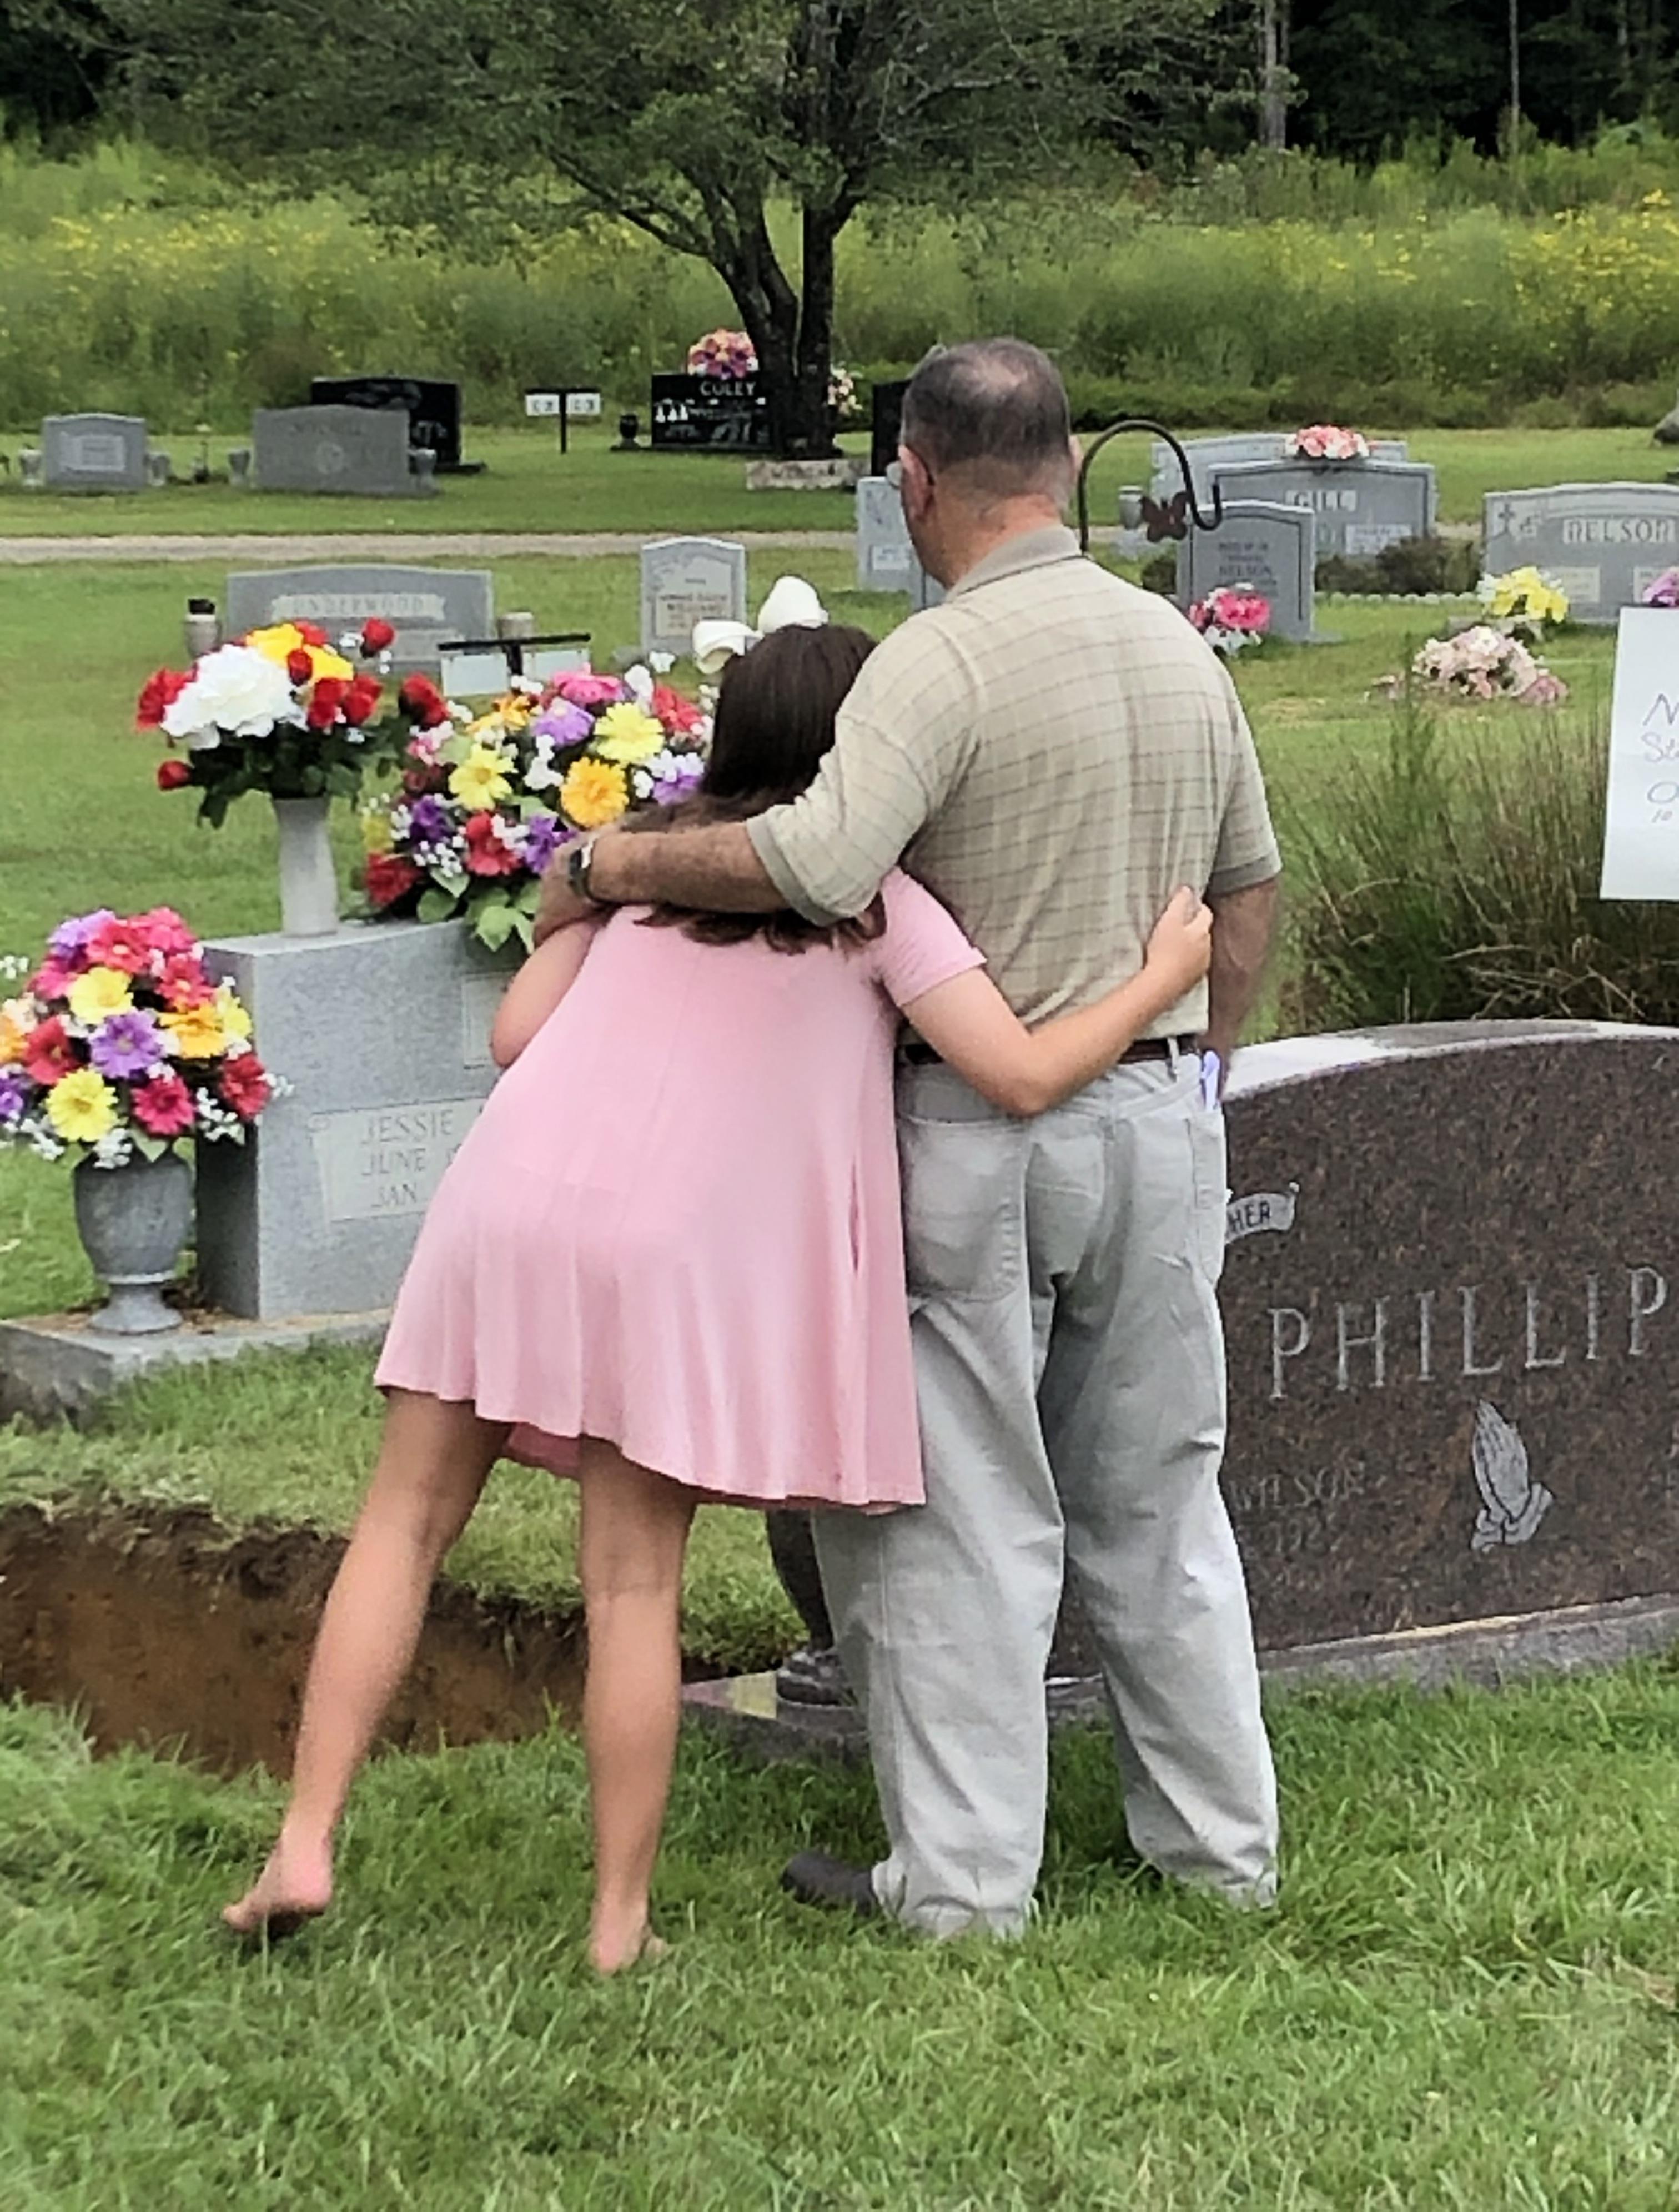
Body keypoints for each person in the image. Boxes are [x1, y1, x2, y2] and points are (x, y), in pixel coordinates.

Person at [223, 617, 1215, 1972]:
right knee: (633, 1586)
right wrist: (1163, 979)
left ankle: (304, 1841)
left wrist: (580, 905)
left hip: (502, 1206)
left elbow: (516, 1037)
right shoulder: (880, 910)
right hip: (667, 1251)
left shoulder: (640, 867)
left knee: (401, 1526)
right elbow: (1023, 1074)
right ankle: (618, 1923)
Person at [534, 338, 1285, 1937]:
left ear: (917, 479)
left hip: (980, 1125)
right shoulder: (1180, 649)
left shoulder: (937, 661)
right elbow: (1249, 894)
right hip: (1161, 1112)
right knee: (1162, 1501)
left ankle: (961, 1885)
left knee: (957, 1519)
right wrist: (1202, 1070)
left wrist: (617, 867)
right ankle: (1222, 1855)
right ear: (1067, 468)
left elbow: (821, 862)